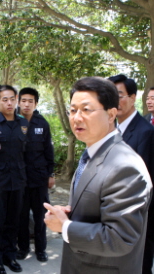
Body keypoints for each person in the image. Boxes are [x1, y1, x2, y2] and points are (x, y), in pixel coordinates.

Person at [44, 76, 152, 274]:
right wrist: (71, 213)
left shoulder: (124, 166)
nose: (77, 117)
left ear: (111, 115)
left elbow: (120, 237)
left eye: (86, 110)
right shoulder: (92, 154)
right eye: (73, 110)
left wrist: (66, 227)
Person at [108, 74, 154, 274]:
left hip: (137, 212)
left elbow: (144, 179)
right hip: (115, 209)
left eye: (120, 95)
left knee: (140, 261)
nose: (115, 102)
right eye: (110, 96)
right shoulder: (111, 129)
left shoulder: (145, 132)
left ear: (134, 97)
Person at [0, 85, 28, 274]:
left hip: (17, 179)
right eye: (4, 100)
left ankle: (10, 256)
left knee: (13, 221)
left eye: (12, 99)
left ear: (16, 99)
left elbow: (25, 152)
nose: (9, 103)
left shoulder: (23, 122)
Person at [16, 87, 55, 262]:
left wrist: (51, 174)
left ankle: (41, 249)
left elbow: (48, 150)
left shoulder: (42, 123)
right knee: (21, 216)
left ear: (36, 103)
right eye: (23, 100)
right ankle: (23, 248)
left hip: (39, 177)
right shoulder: (13, 122)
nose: (26, 104)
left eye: (30, 101)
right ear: (18, 102)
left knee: (40, 216)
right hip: (19, 179)